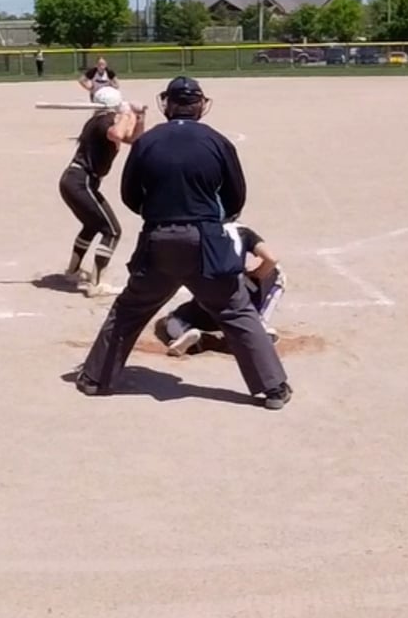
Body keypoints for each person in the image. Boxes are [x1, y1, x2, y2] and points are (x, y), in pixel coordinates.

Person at [73, 76, 291, 410]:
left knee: (130, 309)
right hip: (206, 241)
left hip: (159, 239)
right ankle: (273, 388)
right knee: (235, 310)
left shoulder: (147, 142)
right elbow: (235, 199)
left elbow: (130, 195)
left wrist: (160, 213)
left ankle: (95, 379)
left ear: (167, 104)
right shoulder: (218, 142)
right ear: (200, 105)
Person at [58, 85, 145, 296]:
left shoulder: (101, 121)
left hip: (77, 181)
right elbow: (117, 133)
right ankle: (97, 284)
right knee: (112, 231)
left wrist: (139, 117)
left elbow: (133, 139)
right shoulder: (103, 121)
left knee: (92, 225)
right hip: (81, 181)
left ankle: (73, 271)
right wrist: (126, 113)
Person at [154, 222, 285, 356]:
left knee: (174, 319)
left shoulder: (198, 231)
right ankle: (259, 331)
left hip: (207, 303)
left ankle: (183, 334)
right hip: (239, 305)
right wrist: (255, 274)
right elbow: (271, 259)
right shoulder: (242, 232)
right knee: (277, 273)